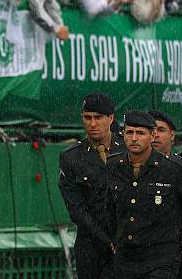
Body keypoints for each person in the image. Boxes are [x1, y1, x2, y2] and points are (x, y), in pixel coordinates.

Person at [107, 110, 182, 279]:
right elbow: (108, 207)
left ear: (152, 136)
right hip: (125, 259)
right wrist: (112, 238)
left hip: (160, 260)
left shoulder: (172, 168)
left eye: (141, 133)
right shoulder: (114, 165)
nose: (134, 138)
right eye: (129, 132)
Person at [58, 93, 123, 279]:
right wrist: (107, 241)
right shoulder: (72, 157)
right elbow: (76, 209)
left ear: (110, 119)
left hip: (128, 244)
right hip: (91, 247)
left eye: (98, 118)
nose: (92, 124)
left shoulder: (127, 149)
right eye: (88, 118)